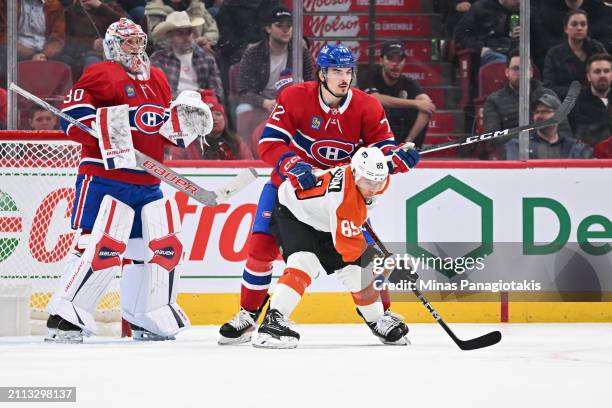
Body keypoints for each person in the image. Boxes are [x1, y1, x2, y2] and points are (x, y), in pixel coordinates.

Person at [218, 44, 419, 345]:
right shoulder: (295, 97)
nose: (343, 78)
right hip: (290, 189)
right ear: (322, 73)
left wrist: (396, 160)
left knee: (366, 253)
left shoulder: (367, 106)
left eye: (348, 71)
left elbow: (382, 150)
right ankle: (248, 315)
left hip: (340, 196)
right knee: (261, 248)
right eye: (336, 71)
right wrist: (291, 163)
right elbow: (269, 143)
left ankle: (382, 314)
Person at [44, 18, 204, 343]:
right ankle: (66, 315)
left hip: (147, 180)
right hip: (105, 176)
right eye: (129, 42)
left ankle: (145, 313)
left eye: (139, 41)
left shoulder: (158, 77)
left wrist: (186, 124)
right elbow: (71, 118)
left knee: (157, 247)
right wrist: (109, 128)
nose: (136, 48)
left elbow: (160, 130)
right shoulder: (101, 73)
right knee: (99, 243)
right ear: (114, 45)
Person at [253, 147, 412, 348]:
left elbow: (354, 222)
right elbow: (349, 249)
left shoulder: (377, 179)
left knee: (356, 272)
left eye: (378, 181)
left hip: (325, 218)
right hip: (293, 213)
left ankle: (376, 319)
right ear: (355, 174)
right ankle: (272, 324)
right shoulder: (344, 200)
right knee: (305, 261)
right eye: (368, 181)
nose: (373, 187)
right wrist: (386, 266)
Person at [236, 6, 315, 141]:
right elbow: (243, 90)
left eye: (289, 25)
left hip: (291, 100)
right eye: (279, 25)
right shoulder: (253, 53)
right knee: (242, 109)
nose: (286, 30)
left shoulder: (301, 52)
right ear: (268, 29)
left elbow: (312, 84)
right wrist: (264, 102)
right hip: (261, 100)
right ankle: (245, 154)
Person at [482, 49, 564, 159]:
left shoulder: (548, 95)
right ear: (507, 72)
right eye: (516, 69)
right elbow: (492, 139)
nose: (520, 73)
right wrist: (530, 136)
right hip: (513, 156)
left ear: (531, 72)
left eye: (524, 68)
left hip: (548, 153)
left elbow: (564, 130)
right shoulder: (494, 100)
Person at [362, 40, 435, 148]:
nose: (396, 64)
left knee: (424, 108)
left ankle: (409, 147)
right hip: (373, 142)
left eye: (400, 59)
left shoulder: (408, 82)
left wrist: (408, 141)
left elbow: (427, 104)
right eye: (391, 58)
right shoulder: (369, 76)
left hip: (401, 141)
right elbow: (374, 98)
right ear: (381, 61)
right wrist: (414, 103)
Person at [150, 11, 223, 99]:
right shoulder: (158, 58)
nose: (186, 37)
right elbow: (155, 91)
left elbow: (217, 92)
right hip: (171, 106)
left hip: (202, 105)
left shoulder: (207, 58)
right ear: (170, 36)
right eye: (180, 33)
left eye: (188, 32)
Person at [543, 9, 607, 99]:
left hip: (597, 99)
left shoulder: (597, 48)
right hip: (567, 103)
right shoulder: (554, 54)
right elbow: (549, 87)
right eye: (574, 24)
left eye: (583, 24)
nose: (579, 28)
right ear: (566, 28)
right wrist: (579, 92)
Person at [167, 94, 253, 159]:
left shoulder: (237, 144)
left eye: (218, 114)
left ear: (225, 119)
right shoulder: (185, 145)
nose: (214, 119)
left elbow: (249, 169)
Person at [505, 94, 591, 159]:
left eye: (545, 111)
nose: (539, 116)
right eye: (536, 112)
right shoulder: (519, 145)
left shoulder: (573, 147)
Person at [59, 0, 126, 77]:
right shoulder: (71, 12)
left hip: (107, 54)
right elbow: (65, 39)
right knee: (91, 61)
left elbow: (126, 26)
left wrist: (101, 7)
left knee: (95, 62)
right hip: (80, 54)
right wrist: (91, 44)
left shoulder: (109, 7)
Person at [569, 53, 612, 147]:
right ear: (588, 76)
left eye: (606, 71)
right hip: (589, 157)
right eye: (597, 71)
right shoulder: (576, 104)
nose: (602, 75)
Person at [144, 0, 218, 51]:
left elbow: (212, 29)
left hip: (200, 52)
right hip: (169, 57)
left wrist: (205, 40)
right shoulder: (154, 10)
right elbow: (158, 40)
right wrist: (194, 44)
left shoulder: (196, 5)